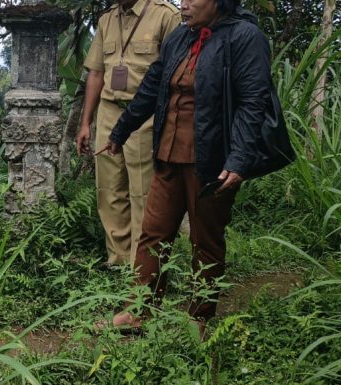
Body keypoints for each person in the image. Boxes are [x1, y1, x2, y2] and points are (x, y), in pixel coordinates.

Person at [96, 0, 279, 333]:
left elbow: (254, 104)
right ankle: (138, 310)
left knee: (205, 240)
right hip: (168, 155)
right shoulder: (179, 38)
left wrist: (238, 160)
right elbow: (152, 87)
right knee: (153, 233)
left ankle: (200, 318)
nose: (185, 4)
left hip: (212, 163)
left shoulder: (244, 37)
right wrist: (120, 131)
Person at [75, 0, 181, 267]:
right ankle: (118, 259)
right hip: (110, 111)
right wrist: (86, 122)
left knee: (143, 192)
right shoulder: (107, 20)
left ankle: (142, 266)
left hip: (146, 115)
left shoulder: (166, 16)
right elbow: (97, 73)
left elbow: (177, 72)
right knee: (109, 189)